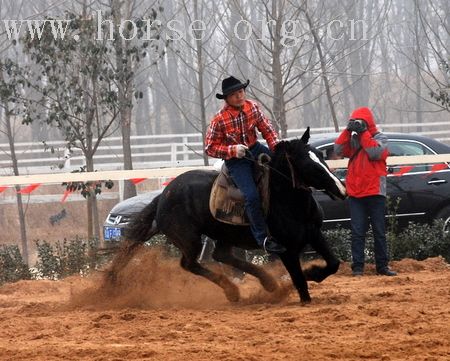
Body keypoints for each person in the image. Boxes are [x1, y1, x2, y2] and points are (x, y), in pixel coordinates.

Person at [205, 76, 286, 254]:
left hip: (254, 148)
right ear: (226, 99)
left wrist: (276, 149)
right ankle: (263, 238)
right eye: (234, 94)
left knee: (282, 170)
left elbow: (267, 129)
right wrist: (232, 151)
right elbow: (209, 148)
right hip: (236, 161)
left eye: (241, 92)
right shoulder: (219, 120)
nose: (239, 96)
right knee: (251, 196)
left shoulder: (252, 107)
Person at [334, 107, 397, 277]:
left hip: (375, 191)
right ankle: (358, 268)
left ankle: (382, 267)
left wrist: (364, 133)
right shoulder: (353, 139)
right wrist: (348, 131)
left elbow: (375, 153)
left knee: (379, 231)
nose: (357, 125)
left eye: (359, 121)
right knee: (357, 232)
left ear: (368, 123)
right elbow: (338, 150)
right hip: (356, 193)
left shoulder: (381, 138)